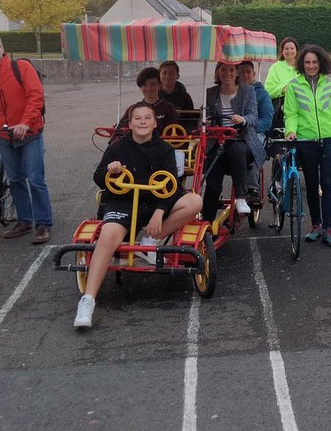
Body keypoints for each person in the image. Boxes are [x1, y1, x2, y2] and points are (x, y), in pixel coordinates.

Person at [74, 103, 204, 328]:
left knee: (195, 201)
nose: (142, 122)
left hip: (156, 201)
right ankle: (88, 301)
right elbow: (98, 176)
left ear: (155, 123)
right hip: (124, 202)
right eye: (137, 118)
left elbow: (172, 184)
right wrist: (110, 170)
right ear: (130, 123)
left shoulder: (163, 149)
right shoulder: (117, 147)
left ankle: (150, 240)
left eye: (147, 118)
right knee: (106, 237)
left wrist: (159, 213)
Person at [0, 32, 54, 244]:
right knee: (15, 180)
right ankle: (24, 221)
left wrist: (25, 122)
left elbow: (35, 96)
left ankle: (43, 224)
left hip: (30, 133)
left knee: (35, 180)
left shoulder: (21, 67)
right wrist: (2, 124)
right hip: (5, 135)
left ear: (2, 49)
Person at [284, 44, 331, 247]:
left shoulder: (330, 85)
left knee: (327, 184)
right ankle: (315, 225)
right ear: (302, 63)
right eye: (307, 62)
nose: (311, 65)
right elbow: (291, 113)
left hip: (329, 140)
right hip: (306, 141)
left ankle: (328, 228)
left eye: (315, 62)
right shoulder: (294, 86)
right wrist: (290, 131)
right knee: (311, 184)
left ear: (321, 63)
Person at [202, 61, 263, 221]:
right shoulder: (210, 93)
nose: (227, 74)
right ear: (217, 72)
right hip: (218, 141)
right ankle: (207, 220)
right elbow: (204, 116)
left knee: (236, 150)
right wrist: (206, 122)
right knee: (213, 178)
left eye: (231, 70)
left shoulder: (248, 91)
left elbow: (253, 116)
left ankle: (241, 197)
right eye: (223, 70)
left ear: (237, 73)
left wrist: (242, 119)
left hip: (242, 140)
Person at [238, 59, 275, 200]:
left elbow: (267, 119)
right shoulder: (233, 91)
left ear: (253, 73)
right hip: (235, 131)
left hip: (255, 131)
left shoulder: (262, 94)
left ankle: (252, 187)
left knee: (254, 148)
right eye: (241, 72)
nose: (245, 75)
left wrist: (250, 128)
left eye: (248, 72)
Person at [118, 66, 179, 134]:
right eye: (144, 85)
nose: (149, 88)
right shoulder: (131, 110)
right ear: (140, 88)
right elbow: (120, 132)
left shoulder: (169, 109)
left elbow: (173, 137)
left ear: (159, 85)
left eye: (152, 84)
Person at [263, 37, 301, 129]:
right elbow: (268, 90)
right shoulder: (275, 67)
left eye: (292, 48)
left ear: (296, 51)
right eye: (286, 49)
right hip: (283, 111)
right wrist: (283, 89)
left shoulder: (303, 66)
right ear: (282, 52)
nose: (289, 51)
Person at [155, 60, 197, 129]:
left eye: (171, 73)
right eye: (164, 73)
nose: (168, 76)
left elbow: (190, 121)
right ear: (159, 76)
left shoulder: (185, 97)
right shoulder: (153, 95)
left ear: (177, 76)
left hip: (180, 135)